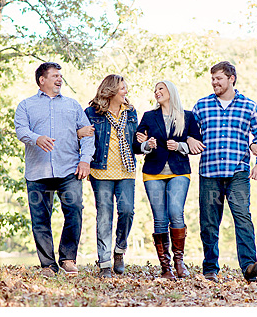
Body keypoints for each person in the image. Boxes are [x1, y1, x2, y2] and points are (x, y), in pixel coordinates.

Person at [13, 62, 93, 277]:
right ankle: (48, 265)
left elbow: (87, 134)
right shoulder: (26, 105)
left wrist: (85, 160)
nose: (59, 79)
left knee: (74, 211)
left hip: (69, 169)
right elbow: (21, 130)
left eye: (60, 76)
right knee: (40, 220)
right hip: (38, 172)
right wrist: (36, 137)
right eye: (55, 76)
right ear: (42, 80)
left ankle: (68, 258)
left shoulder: (73, 105)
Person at [192, 60, 257, 283]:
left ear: (231, 79)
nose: (214, 82)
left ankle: (249, 267)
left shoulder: (249, 106)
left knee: (242, 217)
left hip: (238, 172)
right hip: (209, 172)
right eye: (213, 79)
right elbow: (191, 133)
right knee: (208, 222)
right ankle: (210, 269)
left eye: (219, 78)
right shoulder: (202, 105)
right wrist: (189, 138)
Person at [136, 78, 202, 280]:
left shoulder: (188, 116)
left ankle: (179, 262)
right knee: (160, 218)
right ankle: (166, 268)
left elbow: (196, 144)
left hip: (179, 170)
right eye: (155, 89)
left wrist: (180, 146)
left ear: (171, 91)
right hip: (153, 172)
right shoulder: (148, 116)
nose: (157, 92)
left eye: (161, 88)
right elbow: (137, 146)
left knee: (175, 212)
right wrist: (148, 144)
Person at [84, 74, 140, 277]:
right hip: (100, 171)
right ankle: (105, 263)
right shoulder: (92, 112)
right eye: (123, 88)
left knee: (127, 211)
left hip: (126, 171)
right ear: (112, 91)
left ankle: (119, 251)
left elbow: (135, 144)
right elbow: (83, 138)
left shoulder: (131, 112)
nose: (126, 91)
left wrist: (144, 144)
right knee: (104, 216)